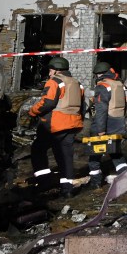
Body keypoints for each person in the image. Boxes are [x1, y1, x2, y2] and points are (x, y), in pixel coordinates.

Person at [29, 55, 85, 197]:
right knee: (65, 155)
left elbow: (48, 102)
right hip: (73, 124)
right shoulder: (77, 83)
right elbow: (83, 106)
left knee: (37, 149)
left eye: (50, 70)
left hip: (55, 124)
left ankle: (43, 180)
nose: (49, 73)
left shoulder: (54, 82)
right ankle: (68, 189)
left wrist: (33, 111)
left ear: (56, 70)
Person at [85, 61, 127, 188]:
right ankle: (125, 176)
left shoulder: (103, 86)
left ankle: (96, 182)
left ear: (99, 74)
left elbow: (101, 110)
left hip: (105, 123)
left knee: (94, 154)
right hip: (118, 122)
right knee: (115, 152)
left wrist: (100, 129)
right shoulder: (119, 84)